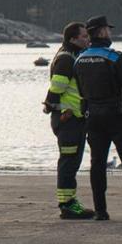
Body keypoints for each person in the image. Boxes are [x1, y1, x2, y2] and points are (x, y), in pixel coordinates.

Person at [73, 15, 122, 222]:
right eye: (108, 30)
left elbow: (80, 89)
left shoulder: (80, 58)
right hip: (117, 115)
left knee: (97, 162)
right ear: (101, 32)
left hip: (93, 115)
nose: (110, 33)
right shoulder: (114, 57)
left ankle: (100, 211)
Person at [45, 21, 95, 219]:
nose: (88, 39)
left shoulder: (72, 55)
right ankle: (67, 205)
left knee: (72, 162)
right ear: (73, 39)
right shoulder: (66, 58)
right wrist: (50, 105)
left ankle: (69, 201)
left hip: (73, 118)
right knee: (68, 162)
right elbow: (57, 86)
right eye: (84, 36)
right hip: (68, 119)